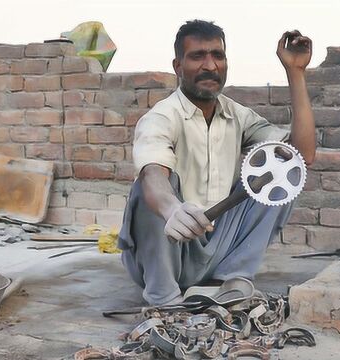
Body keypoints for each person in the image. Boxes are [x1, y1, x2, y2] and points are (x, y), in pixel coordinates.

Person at [118, 20, 316, 306]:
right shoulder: (162, 117)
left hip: (216, 248)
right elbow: (152, 175)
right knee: (146, 189)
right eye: (197, 56)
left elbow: (302, 154)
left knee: (283, 172)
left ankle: (230, 278)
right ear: (178, 66)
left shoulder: (238, 115)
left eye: (217, 56)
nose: (210, 66)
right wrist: (173, 209)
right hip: (170, 248)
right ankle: (165, 297)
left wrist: (295, 73)